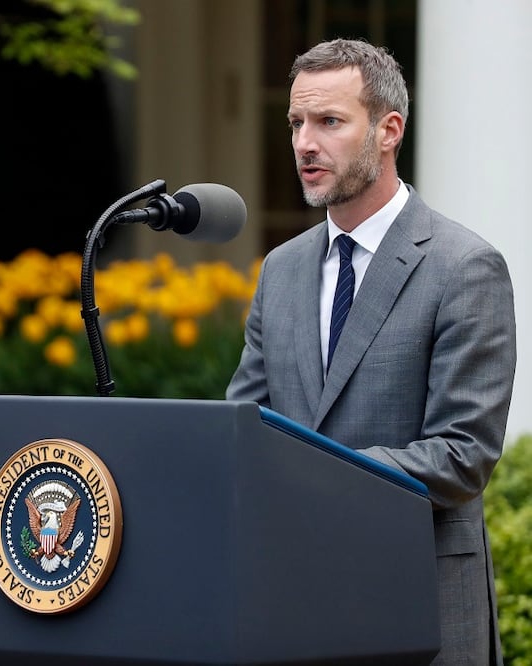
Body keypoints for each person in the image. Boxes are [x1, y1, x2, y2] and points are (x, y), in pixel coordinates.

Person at [226, 38, 516, 665]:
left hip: (420, 603)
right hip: (294, 604)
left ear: (389, 130)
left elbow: (462, 455)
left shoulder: (464, 266)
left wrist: (315, 476)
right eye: (297, 122)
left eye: (329, 121)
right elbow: (242, 429)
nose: (305, 142)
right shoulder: (282, 268)